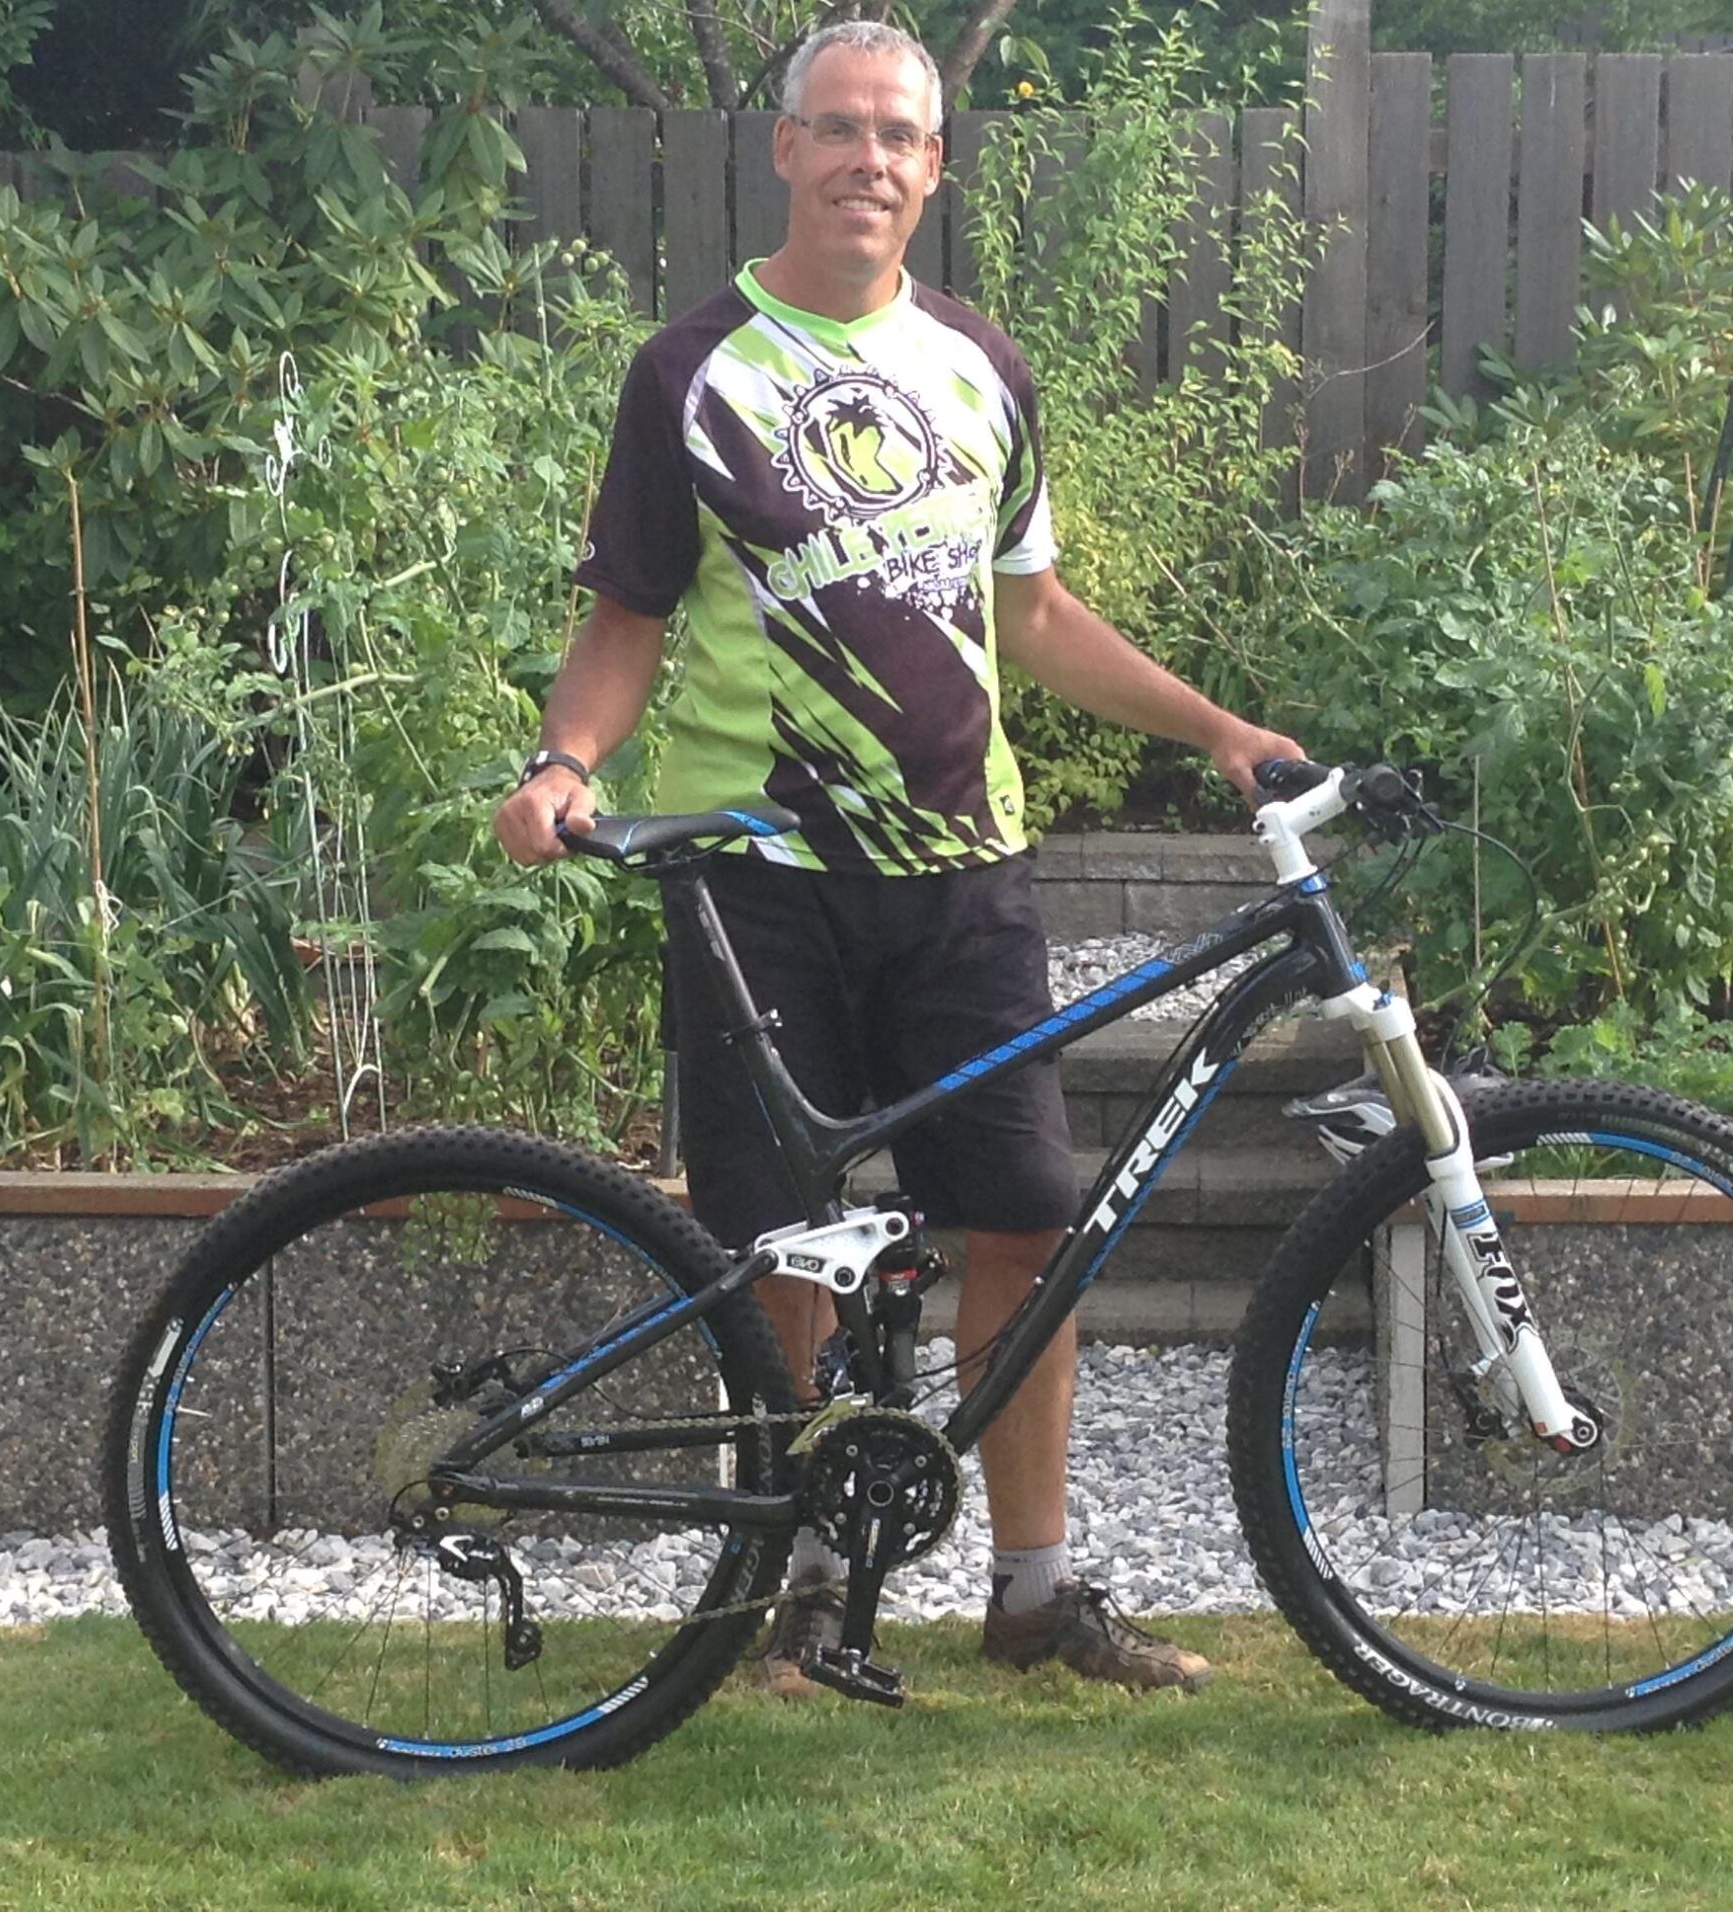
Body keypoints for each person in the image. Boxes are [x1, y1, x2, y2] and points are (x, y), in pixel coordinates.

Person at [494, 20, 1301, 1699]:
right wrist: (567, 762)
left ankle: (1033, 1595)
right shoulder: (690, 370)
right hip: (758, 882)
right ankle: (792, 1596)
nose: (870, 158)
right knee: (781, 1246)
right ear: (784, 147)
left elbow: (1037, 617)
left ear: (935, 167)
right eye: (841, 127)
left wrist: (1219, 728)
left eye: (900, 136)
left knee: (1022, 1225)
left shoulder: (983, 366)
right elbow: (628, 617)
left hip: (963, 878)